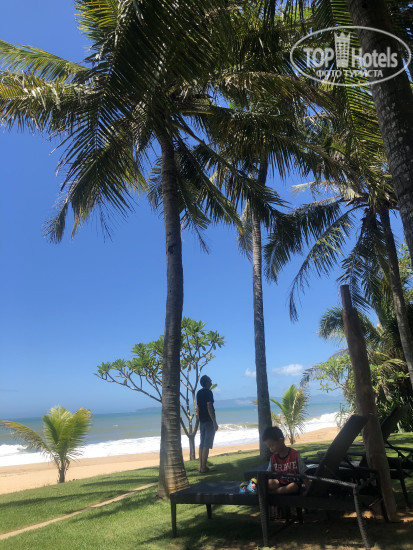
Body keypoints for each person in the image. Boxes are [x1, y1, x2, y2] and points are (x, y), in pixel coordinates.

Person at [262, 426, 307, 494]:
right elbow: (268, 473)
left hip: (294, 484)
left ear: (281, 440)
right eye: (269, 447)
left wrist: (308, 489)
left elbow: (303, 473)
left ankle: (273, 493)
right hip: (280, 482)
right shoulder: (273, 458)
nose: (271, 449)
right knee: (269, 482)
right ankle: (275, 492)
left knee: (293, 486)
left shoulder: (294, 455)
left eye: (272, 445)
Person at [196, 374, 218, 473]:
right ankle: (204, 467)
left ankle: (201, 467)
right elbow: (209, 406)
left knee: (202, 444)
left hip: (202, 420)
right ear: (206, 382)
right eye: (210, 380)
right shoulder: (208, 392)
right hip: (208, 420)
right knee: (206, 444)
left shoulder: (198, 393)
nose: (211, 381)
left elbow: (198, 408)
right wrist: (214, 421)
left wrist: (198, 419)